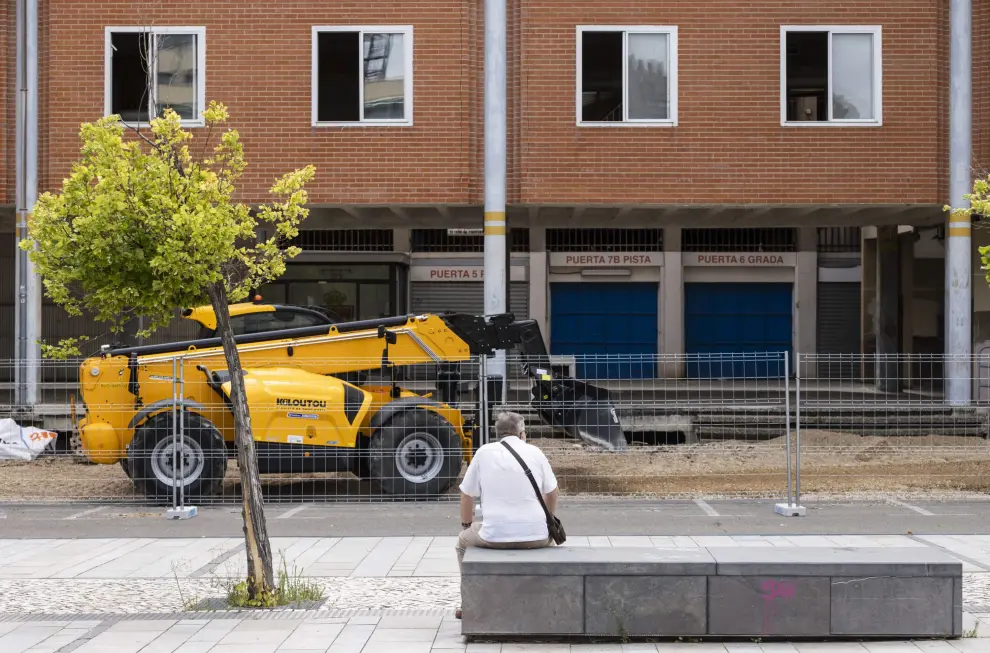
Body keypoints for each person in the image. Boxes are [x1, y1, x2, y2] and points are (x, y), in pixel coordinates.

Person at [455, 411, 560, 619]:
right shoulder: (535, 452)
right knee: (550, 544)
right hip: (537, 536)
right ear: (522, 434)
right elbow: (553, 492)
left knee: (462, 543)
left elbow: (466, 494)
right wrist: (547, 519)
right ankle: (545, 600)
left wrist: (467, 525)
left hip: (494, 536)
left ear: (498, 434)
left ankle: (469, 603)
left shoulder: (484, 452)